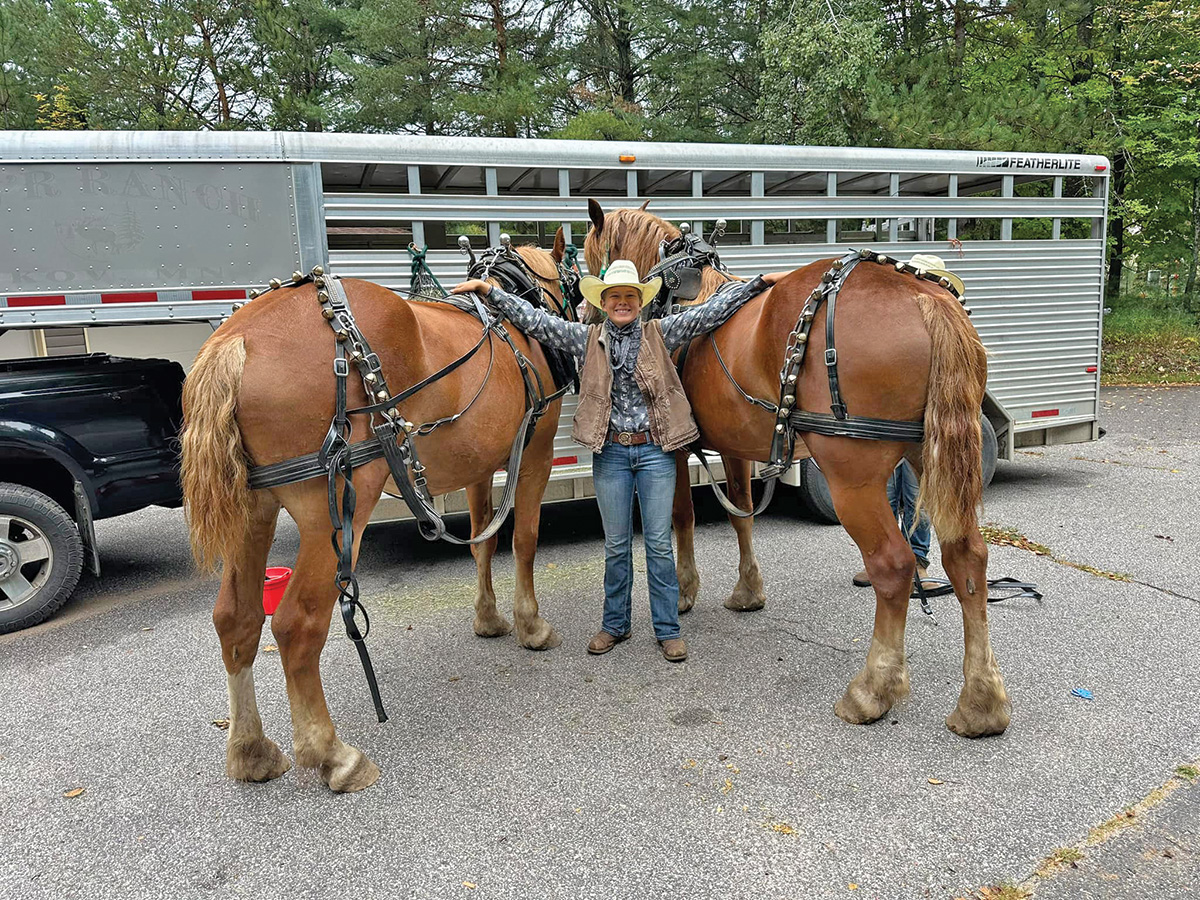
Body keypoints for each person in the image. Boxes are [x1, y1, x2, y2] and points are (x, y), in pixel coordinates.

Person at [452, 260, 783, 662]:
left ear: (640, 303)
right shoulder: (585, 338)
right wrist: (490, 293)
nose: (623, 303)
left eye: (630, 296)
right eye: (615, 297)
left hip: (655, 452)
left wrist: (759, 282)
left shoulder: (660, 333)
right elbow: (535, 320)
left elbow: (709, 312)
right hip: (610, 454)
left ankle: (667, 630)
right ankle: (615, 625)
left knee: (659, 546)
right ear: (604, 303)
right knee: (616, 545)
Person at [851, 460, 939, 589]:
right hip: (886, 443)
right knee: (883, 497)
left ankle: (917, 564)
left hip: (917, 442)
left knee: (918, 500)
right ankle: (882, 561)